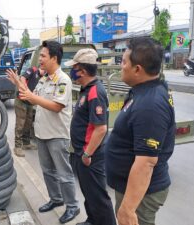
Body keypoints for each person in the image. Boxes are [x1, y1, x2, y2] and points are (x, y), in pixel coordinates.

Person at [6, 40, 80, 224]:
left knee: (64, 174)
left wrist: (32, 96)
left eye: (43, 56)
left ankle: (72, 206)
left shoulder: (63, 80)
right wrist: (18, 83)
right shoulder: (45, 79)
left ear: (54, 58)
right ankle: (56, 199)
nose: (40, 59)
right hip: (42, 133)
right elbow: (31, 99)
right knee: (48, 171)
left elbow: (56, 106)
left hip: (57, 135)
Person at [105, 37, 176, 225]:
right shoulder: (143, 90)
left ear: (137, 69)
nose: (121, 66)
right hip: (132, 188)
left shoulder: (150, 105)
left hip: (141, 195)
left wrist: (128, 209)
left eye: (124, 62)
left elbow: (146, 163)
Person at [65, 49, 116, 225]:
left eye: (75, 68)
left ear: (83, 71)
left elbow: (100, 128)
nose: (72, 72)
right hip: (82, 152)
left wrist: (87, 154)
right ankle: (93, 220)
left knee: (98, 195)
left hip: (90, 156)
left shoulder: (95, 92)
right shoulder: (87, 89)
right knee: (89, 192)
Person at [13, 66, 44, 157]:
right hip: (21, 100)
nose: (45, 72)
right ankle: (17, 146)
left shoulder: (43, 77)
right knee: (20, 124)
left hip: (30, 102)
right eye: (44, 70)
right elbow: (22, 78)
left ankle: (26, 143)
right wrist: (25, 90)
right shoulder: (32, 70)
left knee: (29, 123)